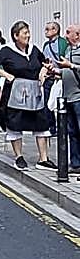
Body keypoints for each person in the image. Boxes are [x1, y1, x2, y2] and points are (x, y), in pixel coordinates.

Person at [0, 20, 56, 172]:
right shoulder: (7, 51)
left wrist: (45, 70)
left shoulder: (34, 50)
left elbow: (45, 62)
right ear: (16, 36)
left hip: (35, 92)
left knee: (41, 124)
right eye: (25, 33)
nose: (28, 36)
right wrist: (6, 75)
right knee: (15, 123)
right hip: (15, 92)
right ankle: (19, 157)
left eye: (28, 32)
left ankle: (43, 159)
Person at [58, 23, 80, 176]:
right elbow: (67, 71)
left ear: (77, 35)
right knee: (72, 132)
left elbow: (73, 67)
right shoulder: (68, 49)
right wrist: (56, 72)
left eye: (68, 32)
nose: (66, 35)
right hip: (68, 97)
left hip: (78, 97)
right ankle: (76, 163)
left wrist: (70, 65)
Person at [41, 20, 67, 135]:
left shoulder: (62, 43)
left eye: (48, 29)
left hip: (60, 77)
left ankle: (62, 127)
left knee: (61, 103)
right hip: (49, 77)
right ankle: (51, 127)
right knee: (47, 103)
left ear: (55, 30)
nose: (45, 32)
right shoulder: (46, 45)